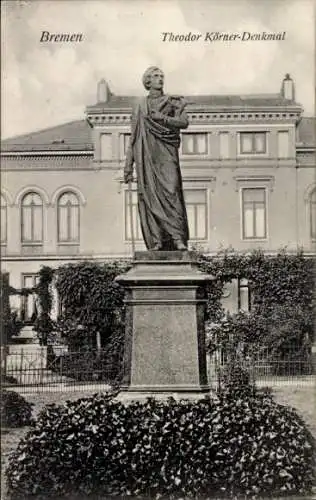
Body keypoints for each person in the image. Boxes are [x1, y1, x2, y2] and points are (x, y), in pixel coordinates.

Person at [124, 66, 189, 251]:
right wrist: (128, 165)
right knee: (150, 195)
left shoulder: (174, 102)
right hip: (147, 157)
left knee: (172, 191)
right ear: (147, 81)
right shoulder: (140, 106)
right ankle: (157, 241)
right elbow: (134, 137)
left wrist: (162, 118)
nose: (160, 79)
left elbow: (184, 123)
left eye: (162, 76)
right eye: (155, 76)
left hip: (167, 154)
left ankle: (177, 238)